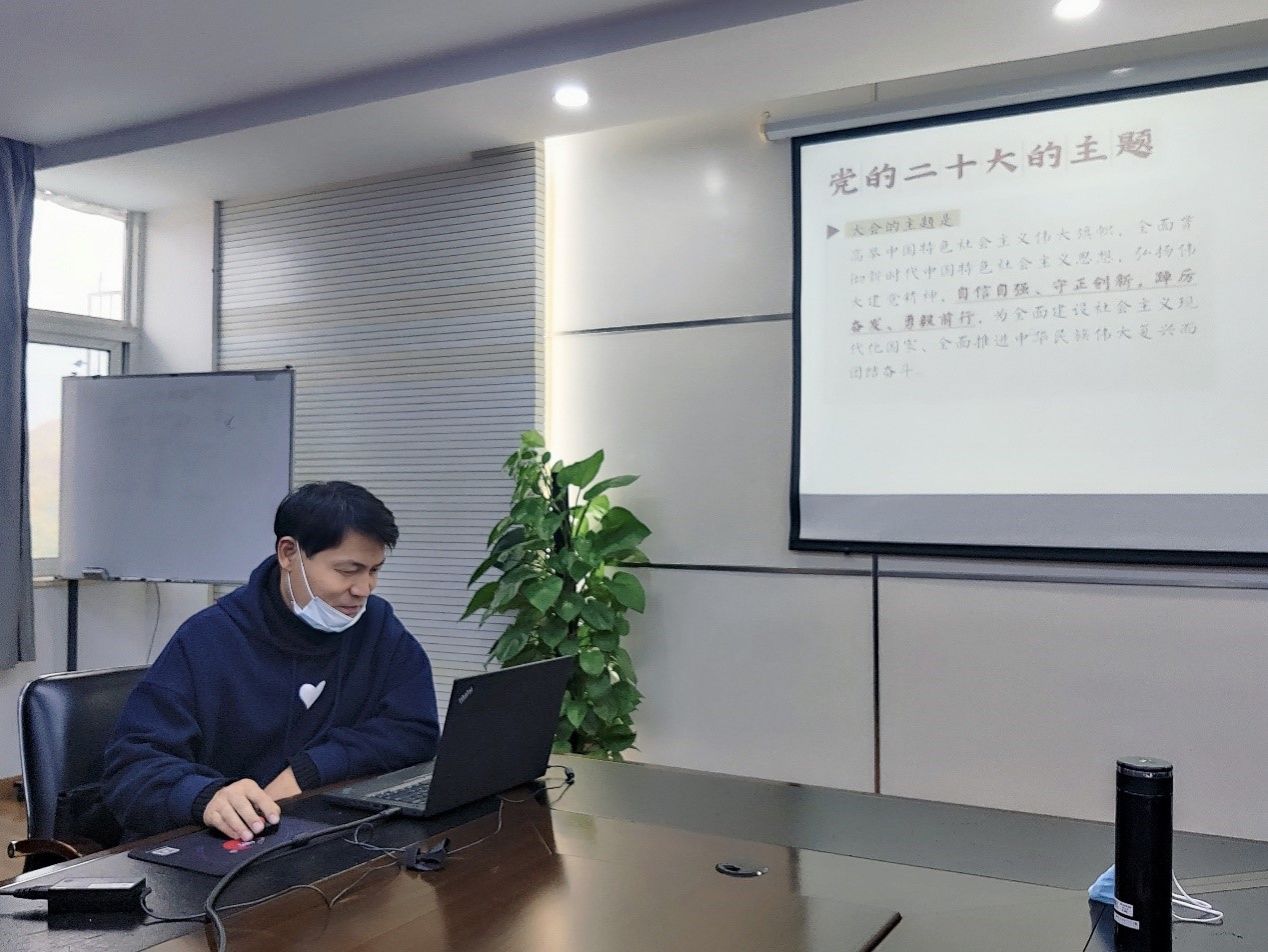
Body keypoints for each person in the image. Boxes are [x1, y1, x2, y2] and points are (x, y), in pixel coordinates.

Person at [103, 481, 439, 841]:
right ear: (288, 554)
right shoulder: (208, 640)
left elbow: (415, 731)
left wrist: (310, 770)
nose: (363, 589)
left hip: (319, 832)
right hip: (217, 843)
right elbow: (132, 768)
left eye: (373, 571)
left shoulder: (377, 626)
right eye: (347, 571)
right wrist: (205, 796)